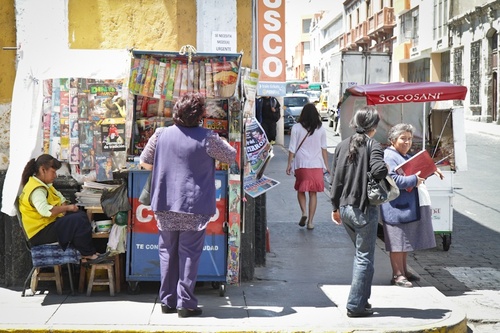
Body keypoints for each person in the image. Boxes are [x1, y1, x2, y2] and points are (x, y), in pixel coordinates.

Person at [139, 92, 236, 318]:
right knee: (189, 254)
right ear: (200, 114)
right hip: (193, 205)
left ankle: (167, 301)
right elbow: (231, 156)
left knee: (167, 252)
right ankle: (186, 304)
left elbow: (144, 162)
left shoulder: (161, 134)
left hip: (164, 203)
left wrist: (165, 169)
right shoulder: (208, 138)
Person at [329, 106, 388, 317]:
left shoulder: (342, 145)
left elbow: (335, 179)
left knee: (363, 256)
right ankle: (355, 305)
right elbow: (380, 169)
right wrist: (383, 170)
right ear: (373, 126)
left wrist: (335, 207)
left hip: (345, 208)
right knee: (364, 257)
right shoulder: (374, 146)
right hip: (364, 209)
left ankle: (363, 299)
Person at [380, 123, 444, 288]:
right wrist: (414, 180)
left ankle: (404, 270)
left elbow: (417, 172)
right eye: (403, 138)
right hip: (395, 207)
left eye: (409, 139)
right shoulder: (389, 156)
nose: (407, 142)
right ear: (394, 140)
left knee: (404, 241)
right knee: (397, 242)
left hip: (406, 205)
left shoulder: (406, 156)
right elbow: (393, 180)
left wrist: (430, 170)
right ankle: (397, 275)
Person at [18, 154, 108, 264]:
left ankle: (85, 252)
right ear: (43, 170)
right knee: (78, 220)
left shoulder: (46, 185)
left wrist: (64, 208)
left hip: (47, 225)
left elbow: (60, 198)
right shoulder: (37, 190)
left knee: (79, 216)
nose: (55, 175)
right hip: (40, 233)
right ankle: (87, 253)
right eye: (53, 172)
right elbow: (46, 211)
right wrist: (67, 207)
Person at [286, 103, 328, 230]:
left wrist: (289, 164)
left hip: (301, 164)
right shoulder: (321, 128)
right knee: (313, 193)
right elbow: (324, 149)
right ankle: (310, 221)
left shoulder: (296, 127)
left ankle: (303, 212)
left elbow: (292, 148)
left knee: (301, 189)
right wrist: (327, 165)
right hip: (316, 164)